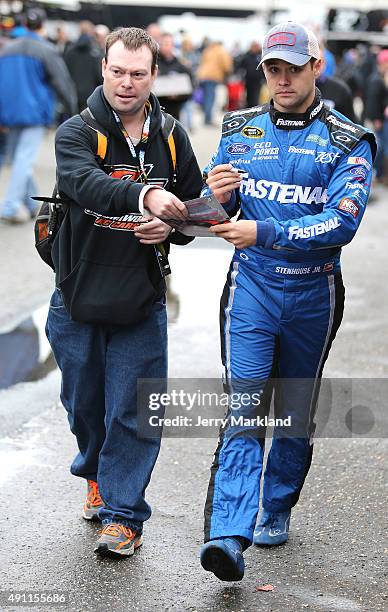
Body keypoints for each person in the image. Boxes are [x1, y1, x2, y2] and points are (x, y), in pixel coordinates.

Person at [199, 21, 376, 582]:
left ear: (316, 67)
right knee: (245, 404)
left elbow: (342, 223)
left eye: (292, 68)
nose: (280, 78)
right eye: (272, 68)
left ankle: (276, 505)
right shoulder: (238, 129)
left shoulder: (350, 139)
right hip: (250, 286)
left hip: (313, 290)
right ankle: (228, 532)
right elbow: (214, 211)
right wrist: (212, 198)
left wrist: (265, 230)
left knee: (293, 412)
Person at [45, 27, 202, 557]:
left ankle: (124, 515)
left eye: (138, 73)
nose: (127, 83)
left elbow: (193, 208)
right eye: (118, 71)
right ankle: (93, 471)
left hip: (141, 297)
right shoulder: (76, 131)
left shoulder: (173, 135)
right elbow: (85, 184)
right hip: (77, 294)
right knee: (84, 404)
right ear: (103, 69)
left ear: (154, 75)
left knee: (133, 411)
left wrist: (173, 226)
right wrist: (146, 195)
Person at [0, 8, 76, 224]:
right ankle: (10, 205)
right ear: (42, 26)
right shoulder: (46, 49)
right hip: (35, 114)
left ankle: (31, 203)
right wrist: (72, 111)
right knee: (23, 159)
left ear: (23, 24)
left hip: (9, 114)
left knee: (18, 158)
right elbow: (62, 82)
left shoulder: (5, 50)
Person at [64, 21, 103, 113]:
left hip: (73, 93)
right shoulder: (95, 51)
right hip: (91, 94)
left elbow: (65, 72)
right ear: (91, 32)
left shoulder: (70, 50)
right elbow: (99, 74)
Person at [153, 32, 193, 120]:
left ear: (173, 45)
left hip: (174, 111)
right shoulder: (153, 63)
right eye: (164, 43)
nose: (166, 46)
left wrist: (179, 96)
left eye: (169, 43)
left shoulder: (181, 65)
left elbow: (190, 87)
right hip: (155, 109)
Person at [364, 49, 388, 185]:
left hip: (378, 118)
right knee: (378, 148)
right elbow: (372, 102)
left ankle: (377, 174)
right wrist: (376, 119)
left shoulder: (380, 77)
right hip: (376, 119)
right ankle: (374, 174)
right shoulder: (376, 79)